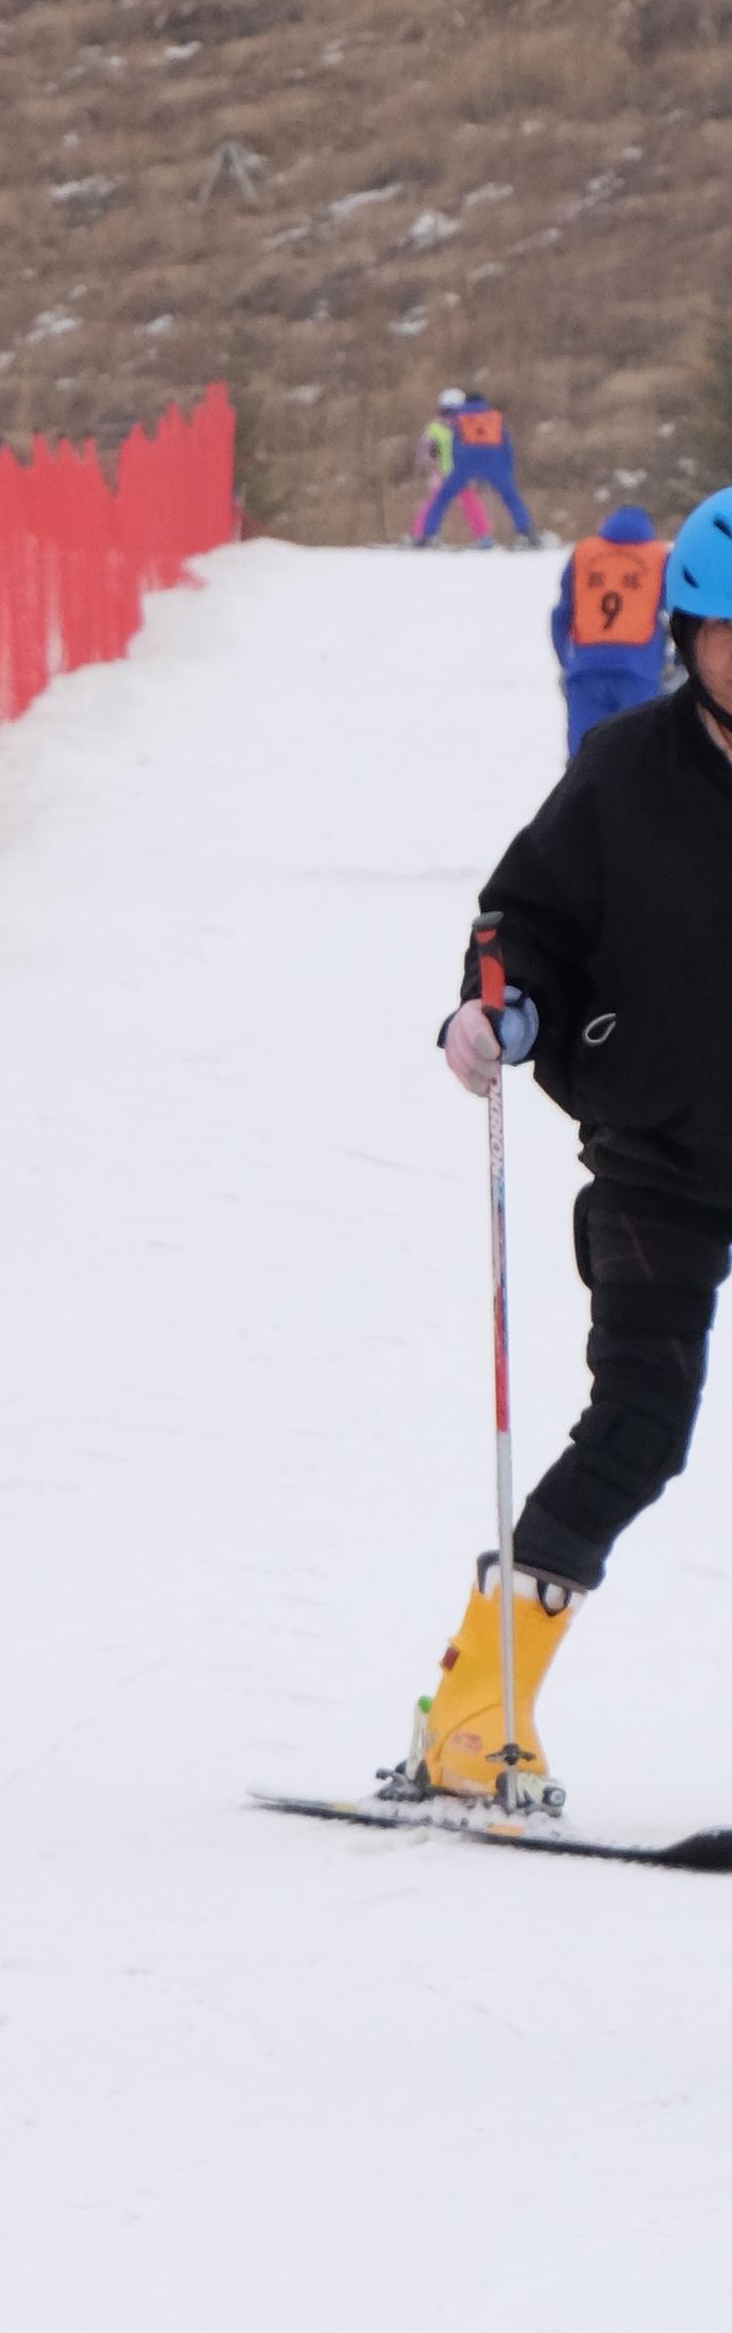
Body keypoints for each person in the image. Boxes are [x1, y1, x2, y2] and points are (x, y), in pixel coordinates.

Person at [407, 479, 732, 1794]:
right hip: (660, 1152)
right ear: (688, 640)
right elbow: (521, 923)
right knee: (638, 1431)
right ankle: (472, 1716)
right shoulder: (622, 777)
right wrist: (506, 1014)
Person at [550, 504, 668, 758]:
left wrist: (566, 661)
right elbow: (681, 615)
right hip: (640, 674)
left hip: (585, 672)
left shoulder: (583, 554)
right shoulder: (659, 558)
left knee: (583, 762)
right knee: (641, 760)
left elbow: (560, 616)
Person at [413, 383, 539, 550]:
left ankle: (427, 535)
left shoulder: (459, 419)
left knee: (441, 498)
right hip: (495, 465)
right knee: (510, 498)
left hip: (465, 464)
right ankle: (526, 532)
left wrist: (458, 469)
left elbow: (455, 445)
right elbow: (507, 446)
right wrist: (507, 470)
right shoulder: (494, 417)